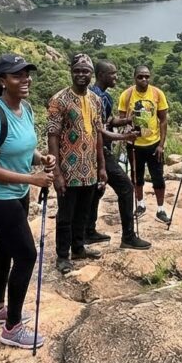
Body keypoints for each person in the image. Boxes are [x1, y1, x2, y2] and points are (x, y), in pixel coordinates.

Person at [0, 53, 56, 349]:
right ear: (2, 81)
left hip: (18, 194)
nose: (25, 80)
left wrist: (41, 158)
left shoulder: (27, 108)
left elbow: (21, 148)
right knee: (26, 256)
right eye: (17, 75)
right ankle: (12, 328)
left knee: (4, 248)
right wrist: (32, 179)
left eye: (26, 74)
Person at [48, 54, 108, 274]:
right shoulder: (59, 100)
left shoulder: (96, 100)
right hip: (68, 169)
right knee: (66, 215)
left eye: (85, 71)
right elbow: (52, 136)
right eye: (77, 70)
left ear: (91, 73)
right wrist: (56, 172)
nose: (81, 75)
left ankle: (79, 248)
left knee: (84, 212)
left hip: (89, 168)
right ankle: (62, 256)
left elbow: (98, 134)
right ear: (71, 72)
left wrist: (102, 166)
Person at [87, 60, 151, 250]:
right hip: (99, 150)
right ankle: (128, 237)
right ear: (101, 75)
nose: (116, 76)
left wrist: (128, 120)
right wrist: (125, 136)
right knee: (126, 187)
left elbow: (108, 121)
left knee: (96, 190)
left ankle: (88, 231)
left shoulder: (103, 96)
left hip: (99, 150)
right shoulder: (95, 98)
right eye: (112, 73)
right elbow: (99, 131)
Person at [117, 65, 170, 223]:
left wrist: (161, 145)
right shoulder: (126, 95)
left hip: (153, 144)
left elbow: (163, 120)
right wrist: (127, 131)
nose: (144, 79)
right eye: (140, 76)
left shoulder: (157, 93)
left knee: (158, 178)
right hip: (134, 145)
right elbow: (121, 120)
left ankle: (161, 209)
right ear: (134, 77)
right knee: (136, 177)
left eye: (147, 76)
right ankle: (140, 205)